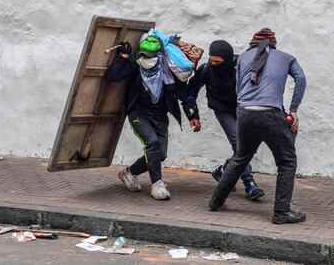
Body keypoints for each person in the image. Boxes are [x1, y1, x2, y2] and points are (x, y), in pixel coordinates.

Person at [208, 28, 307, 224]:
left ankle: (215, 201)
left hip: (245, 112)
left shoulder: (244, 58)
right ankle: (281, 212)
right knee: (287, 161)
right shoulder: (287, 58)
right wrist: (293, 109)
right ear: (273, 43)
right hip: (270, 113)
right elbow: (301, 79)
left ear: (253, 43)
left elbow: (238, 89)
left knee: (240, 157)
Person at [103, 36, 187, 200]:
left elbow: (183, 91)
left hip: (160, 116)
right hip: (138, 113)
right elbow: (112, 76)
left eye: (150, 56)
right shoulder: (136, 64)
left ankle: (129, 173)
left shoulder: (169, 69)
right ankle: (157, 184)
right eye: (143, 55)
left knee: (161, 154)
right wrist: (124, 58)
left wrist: (192, 113)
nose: (146, 59)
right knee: (152, 143)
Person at [183, 40, 265, 200]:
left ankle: (223, 171)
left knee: (250, 146)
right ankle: (249, 183)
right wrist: (193, 115)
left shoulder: (242, 66)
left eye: (218, 62)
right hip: (222, 109)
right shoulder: (206, 70)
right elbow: (191, 91)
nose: (213, 64)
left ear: (227, 60)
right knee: (239, 144)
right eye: (211, 60)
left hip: (243, 109)